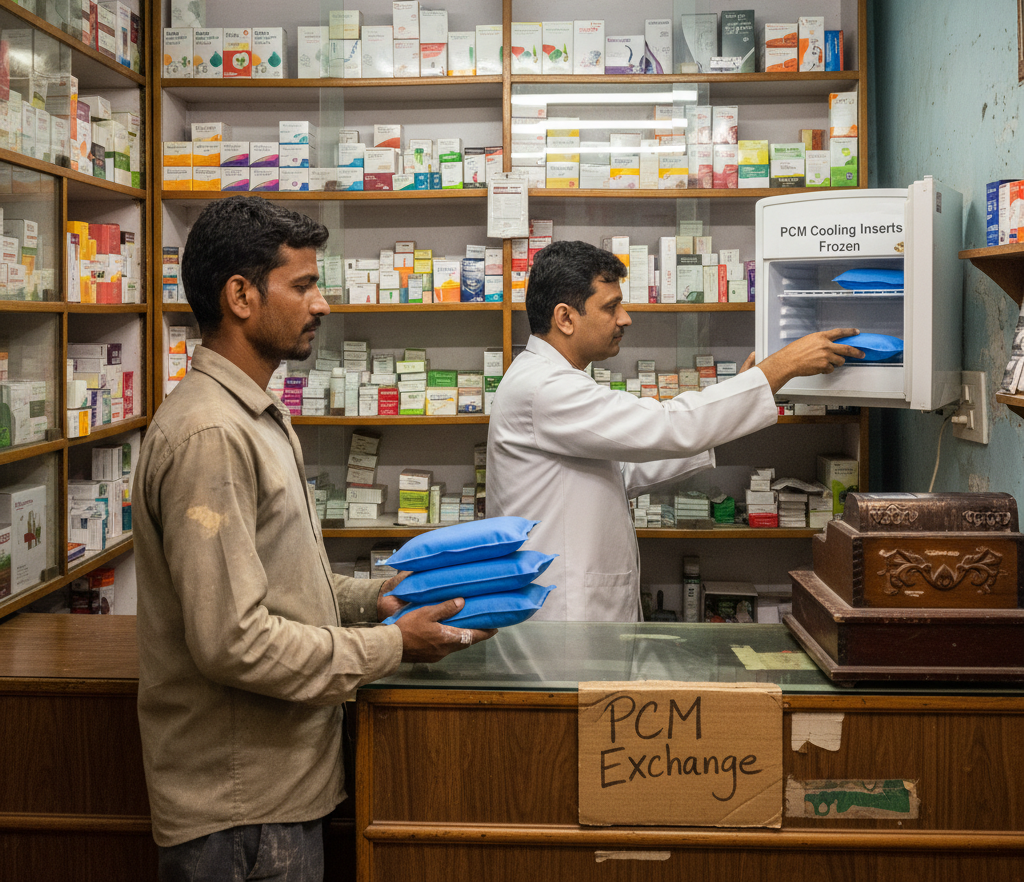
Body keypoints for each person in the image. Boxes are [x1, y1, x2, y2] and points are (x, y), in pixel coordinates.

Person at [132, 196, 494, 882]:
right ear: (240, 295)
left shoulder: (257, 415)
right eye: (302, 285)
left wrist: (386, 595)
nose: (321, 304)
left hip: (274, 793)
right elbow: (233, 641)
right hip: (239, 811)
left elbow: (287, 585)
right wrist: (393, 644)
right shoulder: (212, 434)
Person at [487, 240, 862, 622]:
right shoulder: (544, 388)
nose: (625, 318)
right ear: (565, 318)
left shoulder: (550, 380)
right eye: (611, 306)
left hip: (574, 612)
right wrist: (781, 367)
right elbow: (667, 424)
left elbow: (621, 470)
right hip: (562, 618)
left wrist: (726, 417)